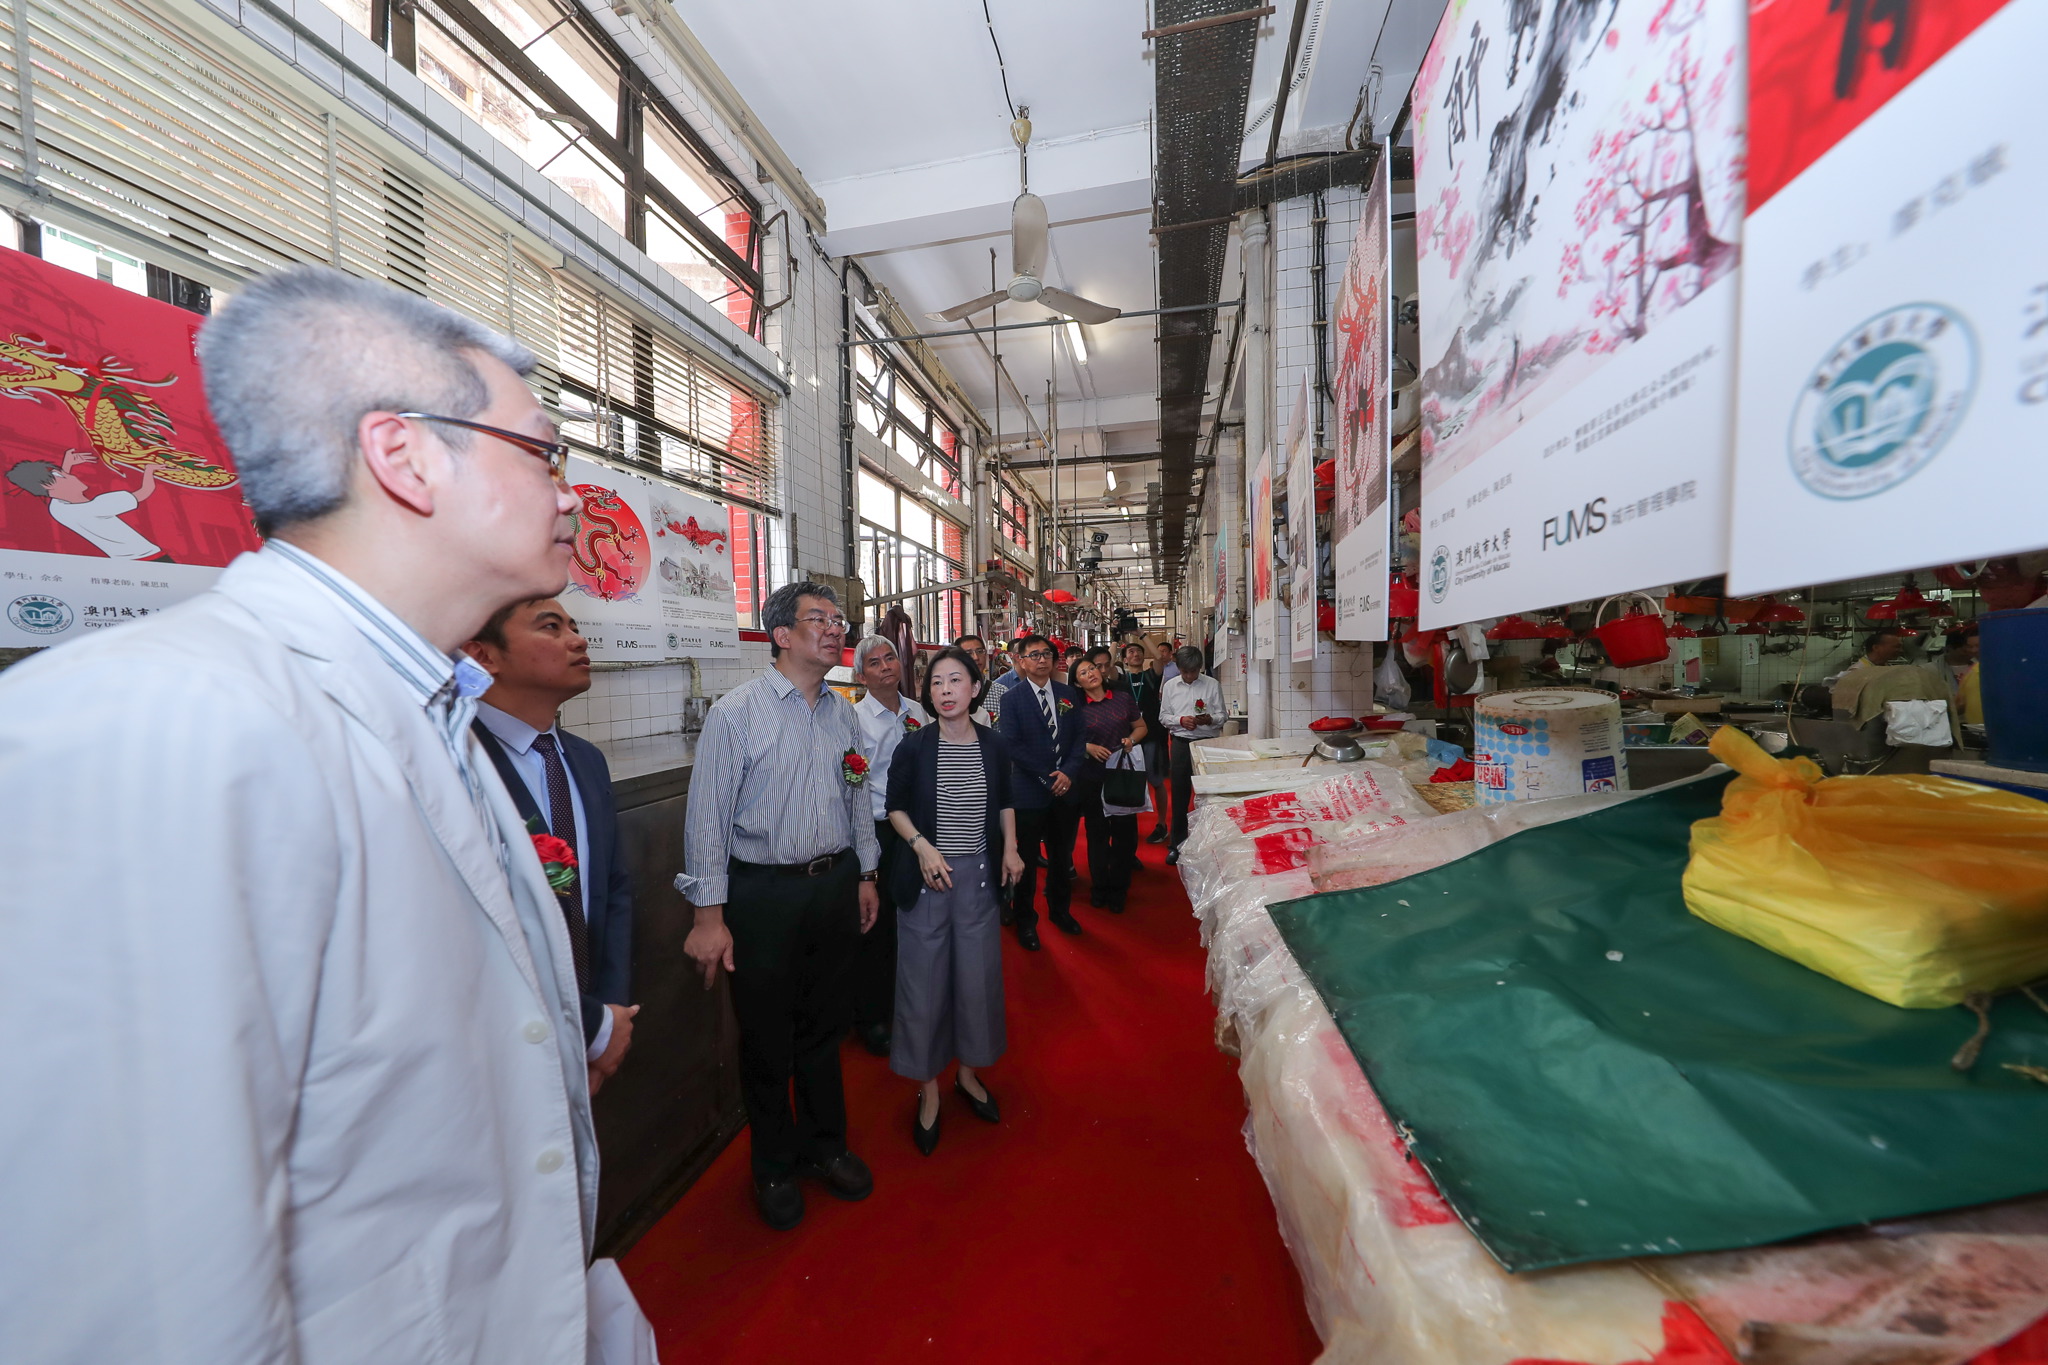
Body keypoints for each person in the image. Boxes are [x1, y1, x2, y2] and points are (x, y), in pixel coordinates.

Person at [0, 265, 629, 1359]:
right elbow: (146, 1294)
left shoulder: (432, 703)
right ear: (404, 456)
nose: (570, 496)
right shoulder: (159, 720)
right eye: (543, 454)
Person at [680, 581, 882, 1231]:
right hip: (764, 893)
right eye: (818, 618)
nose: (835, 628)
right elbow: (707, 818)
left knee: (825, 1027)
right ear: (782, 634)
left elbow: (856, 794)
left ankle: (826, 1146)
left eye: (838, 618)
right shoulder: (737, 713)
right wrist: (708, 916)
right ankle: (772, 1164)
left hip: (833, 885)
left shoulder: (843, 712)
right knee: (767, 1034)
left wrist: (865, 873)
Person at [466, 596, 638, 1096]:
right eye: (550, 627)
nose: (578, 640)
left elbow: (612, 889)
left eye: (574, 626)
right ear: (483, 655)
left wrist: (606, 1018)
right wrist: (588, 1027)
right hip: (501, 1044)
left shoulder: (585, 760)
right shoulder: (458, 764)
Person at [885, 647, 1024, 1154]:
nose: (945, 690)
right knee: (922, 985)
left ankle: (967, 1073)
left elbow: (1005, 800)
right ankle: (928, 1088)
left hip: (979, 879)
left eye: (955, 680)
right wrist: (921, 846)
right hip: (928, 879)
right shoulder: (915, 747)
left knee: (976, 980)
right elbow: (895, 807)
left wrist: (1011, 849)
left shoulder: (994, 744)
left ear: (975, 688)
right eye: (937, 682)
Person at [851, 634, 930, 1058]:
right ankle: (872, 1016)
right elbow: (853, 785)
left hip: (917, 828)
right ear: (861, 676)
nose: (885, 667)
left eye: (890, 658)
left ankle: (908, 1002)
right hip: (878, 830)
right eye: (875, 663)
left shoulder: (918, 711)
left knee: (914, 917)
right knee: (877, 925)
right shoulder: (855, 720)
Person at [989, 632, 1085, 948]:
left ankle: (1060, 911)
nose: (1041, 660)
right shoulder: (1011, 698)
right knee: (1027, 861)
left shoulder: (1068, 693)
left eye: (1046, 654)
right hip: (1029, 792)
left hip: (1065, 790)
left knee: (1061, 857)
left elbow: (1079, 738)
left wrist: (1068, 773)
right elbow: (1012, 745)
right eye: (1034, 655)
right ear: (1021, 661)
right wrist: (1048, 778)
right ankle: (1026, 920)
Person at [1070, 657, 1147, 912]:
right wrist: (1087, 747)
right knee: (1097, 836)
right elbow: (1067, 740)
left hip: (1121, 775)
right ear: (1077, 683)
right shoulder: (1075, 707)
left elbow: (1141, 727)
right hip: (1091, 777)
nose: (1091, 674)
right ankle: (1099, 887)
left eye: (1092, 668)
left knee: (1124, 836)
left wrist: (1131, 740)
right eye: (1083, 673)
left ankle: (1119, 889)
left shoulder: (1122, 698)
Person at [7, 447, 168, 560]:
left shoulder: (57, 509)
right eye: (64, 476)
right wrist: (149, 470)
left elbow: (57, 489)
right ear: (48, 485)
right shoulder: (97, 507)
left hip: (125, 561)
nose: (73, 476)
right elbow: (143, 492)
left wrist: (66, 466)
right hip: (151, 558)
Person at [1162, 645, 1225, 865]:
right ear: (1178, 668)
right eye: (1185, 672)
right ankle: (1177, 845)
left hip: (1207, 745)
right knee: (1179, 796)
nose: (1189, 676)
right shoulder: (1170, 686)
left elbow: (1222, 715)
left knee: (1209, 796)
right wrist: (1180, 720)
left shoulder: (1212, 685)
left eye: (1194, 671)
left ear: (1200, 668)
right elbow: (1163, 716)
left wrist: (1211, 719)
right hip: (1180, 744)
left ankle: (1209, 846)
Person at [1135, 639, 1173, 842]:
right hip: (1129, 740)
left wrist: (1140, 634)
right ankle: (1128, 824)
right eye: (1130, 652)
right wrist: (1115, 637)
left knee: (1156, 780)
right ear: (1124, 659)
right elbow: (1105, 665)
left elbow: (1159, 659)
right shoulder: (1120, 679)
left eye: (1138, 652)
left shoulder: (1150, 676)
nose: (1134, 654)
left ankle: (1161, 824)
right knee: (1129, 782)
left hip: (1151, 737)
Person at [1830, 627, 1909, 717]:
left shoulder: (1886, 668)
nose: (1901, 650)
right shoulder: (1858, 671)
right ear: (1876, 648)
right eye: (1896, 647)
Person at [955, 631, 996, 724]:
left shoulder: (1000, 692)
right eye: (968, 653)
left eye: (980, 651)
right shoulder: (952, 692)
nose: (976, 657)